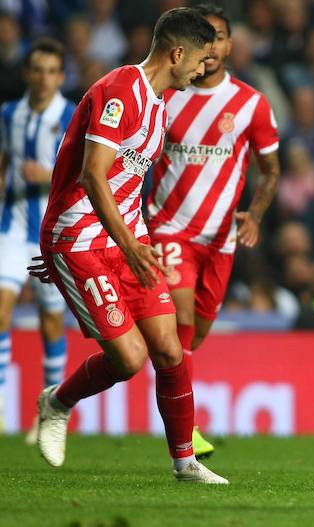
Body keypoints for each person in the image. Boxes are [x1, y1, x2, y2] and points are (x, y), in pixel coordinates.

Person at [29, 7, 226, 484]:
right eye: (201, 61)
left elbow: (123, 182)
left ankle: (185, 464)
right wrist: (73, 252)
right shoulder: (121, 91)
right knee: (130, 359)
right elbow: (93, 176)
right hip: (81, 238)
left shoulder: (159, 105)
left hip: (122, 240)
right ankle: (56, 403)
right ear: (177, 53)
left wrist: (131, 243)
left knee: (169, 350)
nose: (203, 71)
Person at [146, 3, 280, 460]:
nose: (216, 46)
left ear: (228, 45)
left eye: (222, 37)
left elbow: (271, 170)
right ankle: (186, 432)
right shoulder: (166, 96)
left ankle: (170, 386)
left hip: (221, 239)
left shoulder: (250, 104)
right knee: (181, 326)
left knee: (196, 335)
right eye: (210, 38)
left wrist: (256, 214)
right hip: (168, 228)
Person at [0, 38, 74, 441]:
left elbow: (86, 170)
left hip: (52, 232)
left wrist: (46, 176)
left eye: (51, 71)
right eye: (37, 70)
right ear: (27, 74)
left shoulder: (72, 115)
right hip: (10, 227)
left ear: (60, 76)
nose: (43, 78)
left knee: (50, 324)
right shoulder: (8, 114)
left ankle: (48, 412)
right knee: (0, 309)